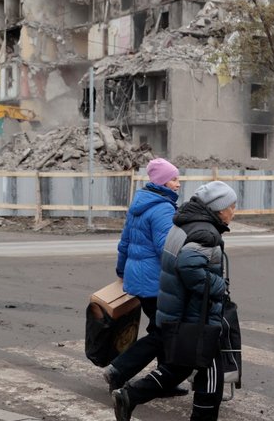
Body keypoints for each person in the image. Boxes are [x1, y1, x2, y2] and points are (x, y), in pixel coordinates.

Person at [112, 180, 238, 421]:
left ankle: (129, 395)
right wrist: (220, 287)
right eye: (231, 206)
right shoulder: (206, 234)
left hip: (178, 309)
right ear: (218, 208)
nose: (234, 212)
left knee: (179, 367)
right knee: (211, 371)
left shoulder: (183, 225)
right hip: (196, 314)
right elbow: (189, 266)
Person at [104, 158, 185, 395]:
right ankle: (118, 370)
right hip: (156, 281)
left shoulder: (140, 204)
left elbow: (125, 244)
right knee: (165, 331)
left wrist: (121, 271)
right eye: (174, 179)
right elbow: (166, 249)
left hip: (139, 279)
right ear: (161, 181)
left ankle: (164, 381)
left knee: (161, 328)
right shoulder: (162, 208)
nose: (178, 184)